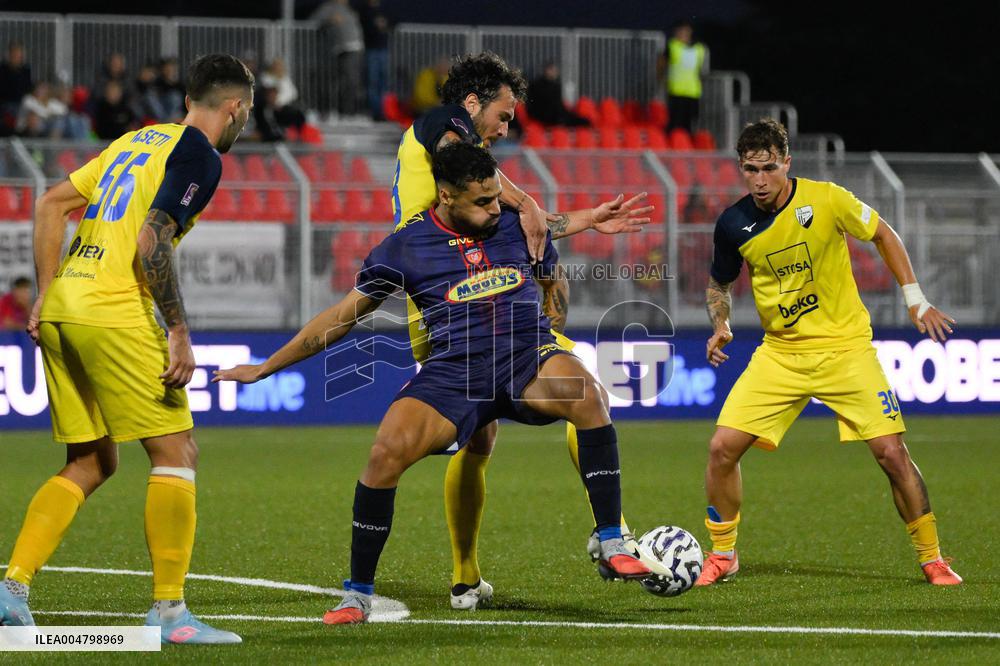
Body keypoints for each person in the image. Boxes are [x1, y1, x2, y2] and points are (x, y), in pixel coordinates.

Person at [215, 142, 653, 624]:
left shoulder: (516, 221)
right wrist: (263, 368)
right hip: (454, 372)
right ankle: (357, 594)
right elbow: (340, 319)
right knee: (385, 453)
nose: (495, 208)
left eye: (495, 197)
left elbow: (552, 276)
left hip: (526, 356)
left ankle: (611, 537)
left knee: (589, 395)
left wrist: (554, 305)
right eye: (481, 201)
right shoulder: (404, 246)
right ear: (445, 195)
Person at [0, 54, 255, 642]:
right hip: (115, 310)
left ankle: (13, 590)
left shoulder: (136, 141)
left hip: (67, 305)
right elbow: (150, 242)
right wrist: (179, 331)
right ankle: (171, 616)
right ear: (235, 107)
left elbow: (50, 205)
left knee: (92, 460)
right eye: (247, 112)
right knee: (177, 453)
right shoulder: (198, 153)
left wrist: (45, 295)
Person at [391, 50, 650, 611]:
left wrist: (581, 220)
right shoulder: (437, 129)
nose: (507, 127)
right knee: (580, 392)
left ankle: (467, 580)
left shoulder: (474, 184)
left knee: (483, 434)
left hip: (470, 297)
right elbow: (504, 194)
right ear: (470, 102)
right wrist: (531, 201)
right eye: (503, 114)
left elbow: (529, 225)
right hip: (450, 303)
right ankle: (613, 533)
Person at [696, 118, 962, 587]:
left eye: (768, 168)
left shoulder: (827, 199)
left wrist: (915, 299)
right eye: (749, 170)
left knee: (890, 453)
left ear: (787, 162)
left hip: (844, 349)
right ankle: (723, 554)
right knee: (721, 449)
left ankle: (932, 557)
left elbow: (884, 234)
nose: (759, 180)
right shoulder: (734, 223)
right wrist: (721, 323)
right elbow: (719, 282)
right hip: (780, 353)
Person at [312, 0, 365, 118]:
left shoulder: (349, 8)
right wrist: (329, 20)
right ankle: (345, 111)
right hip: (343, 49)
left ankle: (350, 111)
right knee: (346, 81)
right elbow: (313, 21)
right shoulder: (329, 7)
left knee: (353, 82)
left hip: (356, 48)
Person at [663, 20, 708, 134]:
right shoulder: (672, 46)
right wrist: (661, 80)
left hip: (693, 91)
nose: (683, 33)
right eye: (680, 31)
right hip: (676, 90)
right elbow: (661, 64)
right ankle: (672, 144)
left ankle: (687, 145)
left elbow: (701, 70)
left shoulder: (699, 48)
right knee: (674, 121)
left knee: (690, 122)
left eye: (685, 30)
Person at [526, 62, 589, 127]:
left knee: (584, 121)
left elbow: (558, 106)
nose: (555, 73)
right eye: (553, 70)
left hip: (554, 115)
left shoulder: (555, 85)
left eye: (556, 71)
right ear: (547, 71)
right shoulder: (536, 86)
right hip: (544, 116)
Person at [359, 0, 391, 119]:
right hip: (371, 49)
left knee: (383, 82)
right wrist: (374, 25)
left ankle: (383, 111)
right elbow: (364, 27)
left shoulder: (384, 9)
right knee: (372, 81)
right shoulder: (364, 10)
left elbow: (395, 20)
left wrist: (385, 23)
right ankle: (375, 111)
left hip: (383, 49)